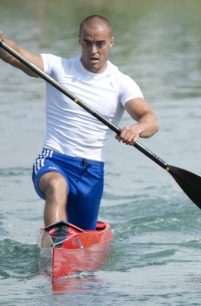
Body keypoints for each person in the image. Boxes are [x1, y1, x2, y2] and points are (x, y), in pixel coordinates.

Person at [0, 15, 159, 230]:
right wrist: (3, 44)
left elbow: (150, 119)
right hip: (54, 159)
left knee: (84, 230)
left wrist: (136, 129)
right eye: (87, 42)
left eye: (100, 44)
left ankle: (70, 242)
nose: (93, 50)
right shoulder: (58, 68)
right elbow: (16, 55)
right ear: (79, 41)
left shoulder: (121, 83)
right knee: (56, 186)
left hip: (91, 173)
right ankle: (54, 248)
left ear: (111, 42)